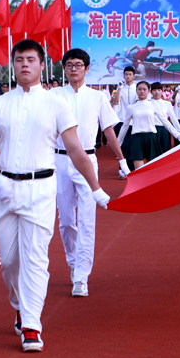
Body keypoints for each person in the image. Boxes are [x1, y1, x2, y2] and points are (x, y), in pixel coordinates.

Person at [0, 39, 110, 353]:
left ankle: (32, 324)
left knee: (35, 257)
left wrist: (96, 187)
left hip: (41, 188)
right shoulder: (0, 104)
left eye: (31, 59)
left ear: (41, 65)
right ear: (12, 64)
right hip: (5, 190)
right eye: (19, 59)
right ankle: (20, 305)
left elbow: (76, 149)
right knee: (8, 261)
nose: (24, 64)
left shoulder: (55, 104)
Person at [52, 49, 128, 298]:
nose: (74, 69)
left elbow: (109, 131)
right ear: (64, 69)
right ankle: (73, 262)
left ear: (87, 68)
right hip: (60, 161)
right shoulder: (53, 96)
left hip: (87, 161)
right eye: (69, 65)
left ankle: (81, 276)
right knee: (65, 221)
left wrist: (122, 160)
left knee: (87, 220)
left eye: (78, 65)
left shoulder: (97, 97)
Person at [117, 81, 180, 170]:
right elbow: (125, 126)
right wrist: (118, 143)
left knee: (152, 171)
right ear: (136, 91)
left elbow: (166, 122)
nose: (142, 91)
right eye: (140, 89)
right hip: (136, 139)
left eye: (144, 89)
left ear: (148, 91)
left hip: (151, 138)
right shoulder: (131, 107)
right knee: (139, 171)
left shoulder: (153, 105)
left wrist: (178, 135)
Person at [151, 82, 180, 154]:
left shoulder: (167, 104)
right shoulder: (148, 103)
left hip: (165, 129)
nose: (156, 92)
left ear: (162, 91)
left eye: (159, 90)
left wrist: (179, 131)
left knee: (165, 152)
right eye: (154, 90)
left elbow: (173, 118)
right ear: (151, 91)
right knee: (153, 153)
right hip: (152, 130)